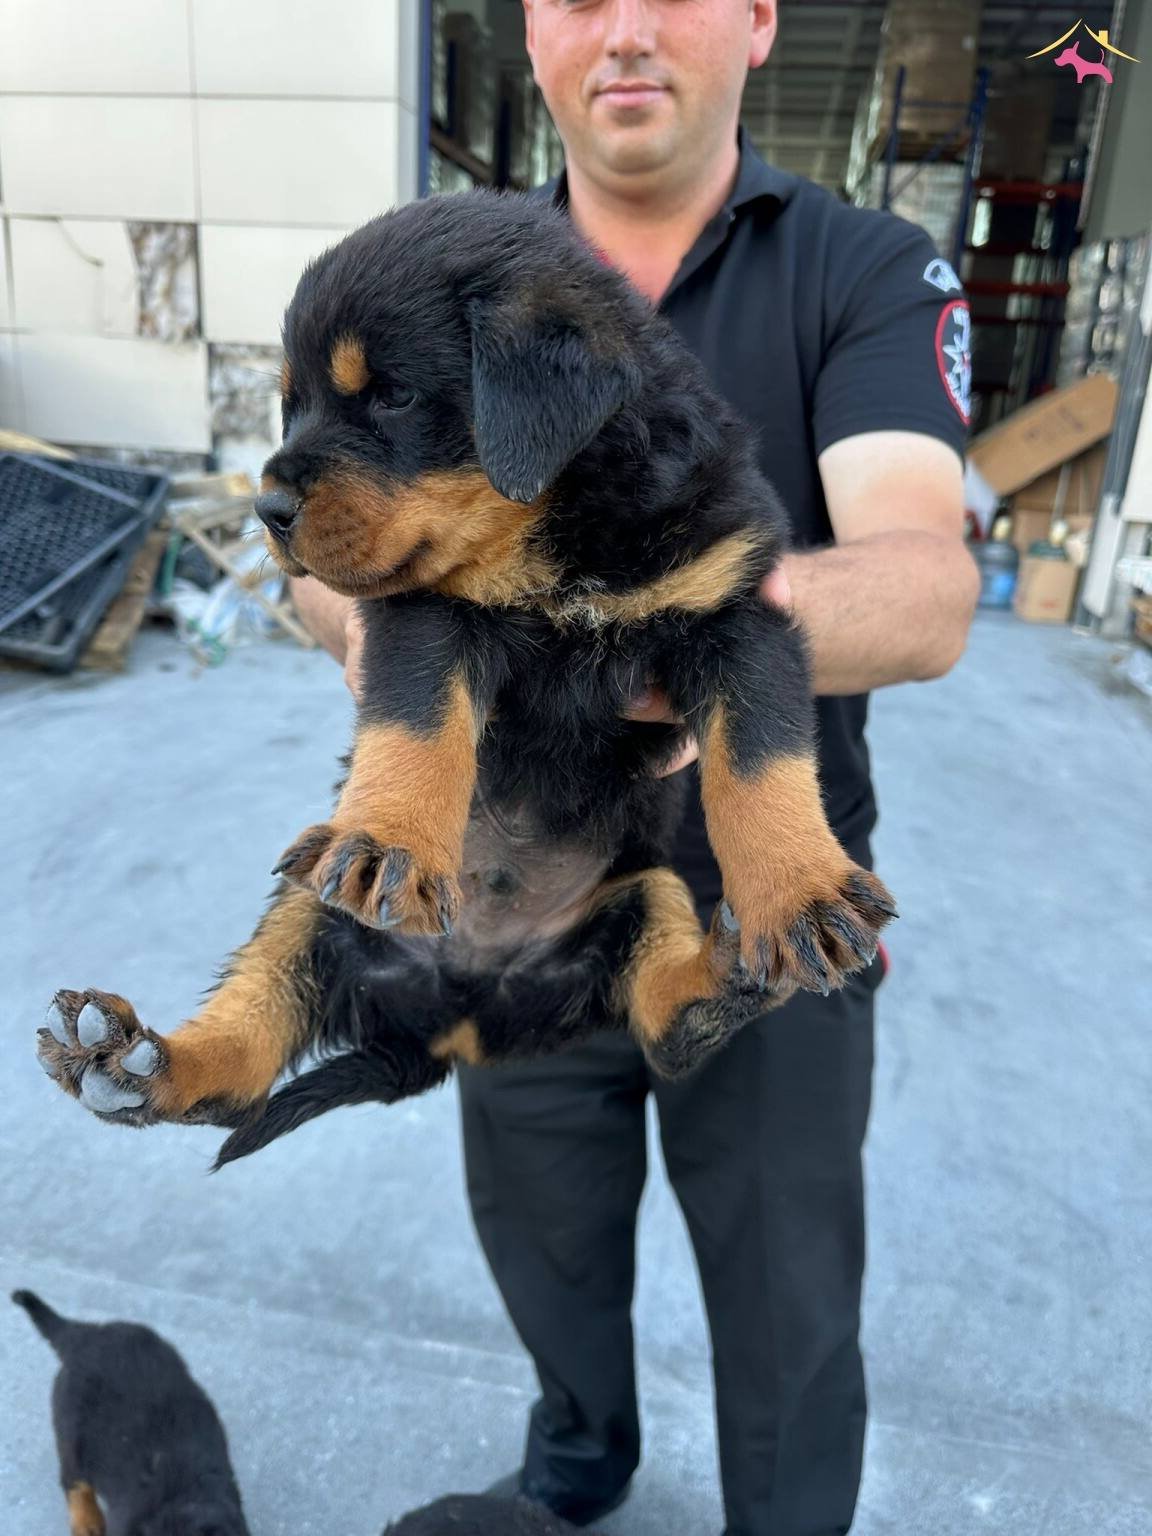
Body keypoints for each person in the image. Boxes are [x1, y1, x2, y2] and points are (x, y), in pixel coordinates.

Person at [291, 2, 979, 1531]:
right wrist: (378, 621)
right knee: (542, 1235)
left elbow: (925, 587)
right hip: (519, 899)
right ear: (533, 29)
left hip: (763, 914)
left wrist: (640, 632)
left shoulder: (858, 268)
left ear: (758, 18)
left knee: (791, 1292)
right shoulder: (440, 278)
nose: (624, 33)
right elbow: (328, 550)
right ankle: (579, 1450)